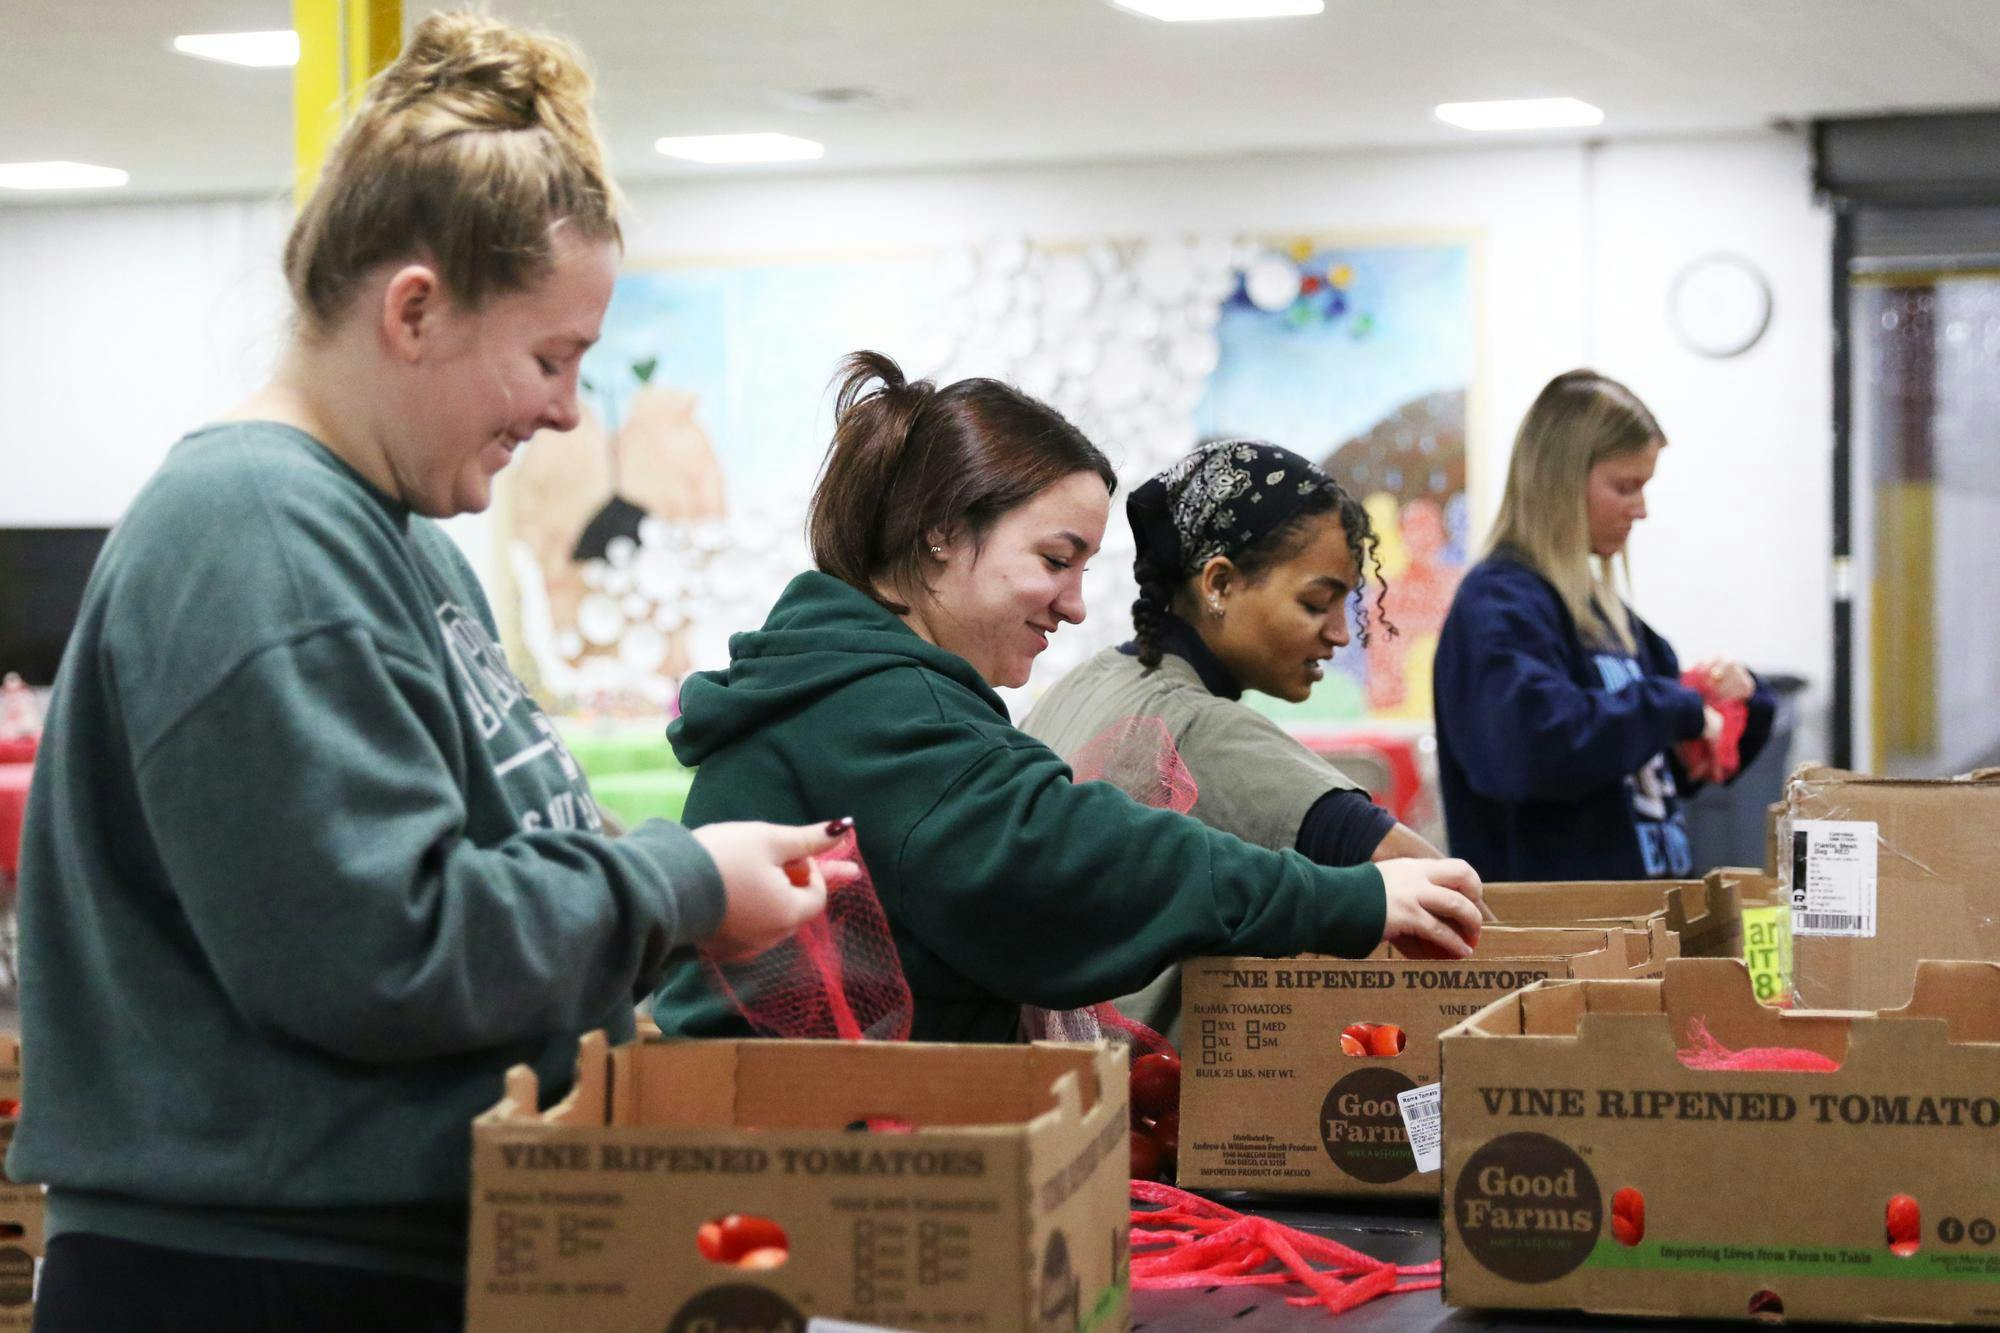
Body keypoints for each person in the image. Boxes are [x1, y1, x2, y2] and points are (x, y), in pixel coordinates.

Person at [11, 15, 843, 1330]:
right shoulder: (258, 535)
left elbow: (486, 860)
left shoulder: (394, 538)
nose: (571, 411)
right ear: (415, 310)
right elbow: (379, 947)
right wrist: (679, 883)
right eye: (549, 357)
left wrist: (683, 893)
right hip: (258, 1278)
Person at [650, 352, 1486, 1046]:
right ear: (941, 531)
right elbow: (1075, 858)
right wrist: (1347, 899)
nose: (1077, 603)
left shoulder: (849, 681)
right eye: (1056, 558)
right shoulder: (889, 708)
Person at [1021, 441, 1443, 1033]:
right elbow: (1433, 888)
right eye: (1316, 602)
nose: (1340, 635)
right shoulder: (1205, 729)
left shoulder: (1084, 685)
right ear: (1218, 582)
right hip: (1151, 1103)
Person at [1432, 369, 1774, 882]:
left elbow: (1666, 773)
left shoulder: (1612, 619)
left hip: (1645, 924)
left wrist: (1740, 703)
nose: (1641, 509)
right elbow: (1531, 749)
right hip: (1562, 942)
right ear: (1562, 482)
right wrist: (1676, 708)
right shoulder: (1497, 607)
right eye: (1625, 486)